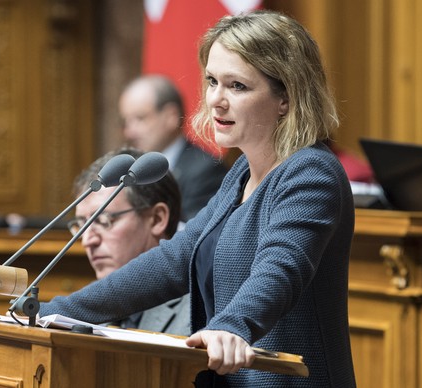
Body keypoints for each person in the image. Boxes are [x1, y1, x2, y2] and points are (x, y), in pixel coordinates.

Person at [40, 9, 356, 387]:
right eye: (212, 81)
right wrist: (50, 313)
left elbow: (281, 268)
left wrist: (231, 326)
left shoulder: (311, 172)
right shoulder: (239, 176)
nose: (216, 100)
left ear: (285, 98)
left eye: (237, 86)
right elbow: (171, 261)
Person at [67, 148, 190, 336]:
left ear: (157, 219)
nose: (87, 240)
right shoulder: (86, 308)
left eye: (102, 220)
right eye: (81, 225)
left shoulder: (197, 313)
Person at [119, 74, 228, 221]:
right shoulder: (129, 170)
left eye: (140, 118)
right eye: (126, 122)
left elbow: (197, 235)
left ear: (171, 116)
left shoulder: (206, 171)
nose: (129, 132)